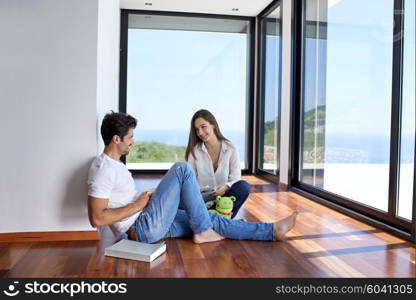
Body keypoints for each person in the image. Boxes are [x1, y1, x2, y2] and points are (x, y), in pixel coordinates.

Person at [87, 111, 297, 245]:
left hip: (148, 219)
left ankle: (271, 231)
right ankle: (203, 231)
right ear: (116, 139)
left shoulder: (115, 165)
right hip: (141, 228)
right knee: (182, 169)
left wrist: (146, 200)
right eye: (130, 136)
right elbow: (96, 219)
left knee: (213, 219)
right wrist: (137, 205)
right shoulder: (103, 169)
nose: (133, 141)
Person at [185, 109, 249, 218]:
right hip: (202, 201)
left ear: (213, 125)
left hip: (224, 201)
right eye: (197, 129)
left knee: (243, 186)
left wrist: (225, 187)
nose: (200, 132)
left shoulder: (231, 148)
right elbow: (189, 181)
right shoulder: (194, 152)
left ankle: (211, 219)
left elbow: (236, 178)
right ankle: (221, 222)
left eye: (203, 126)